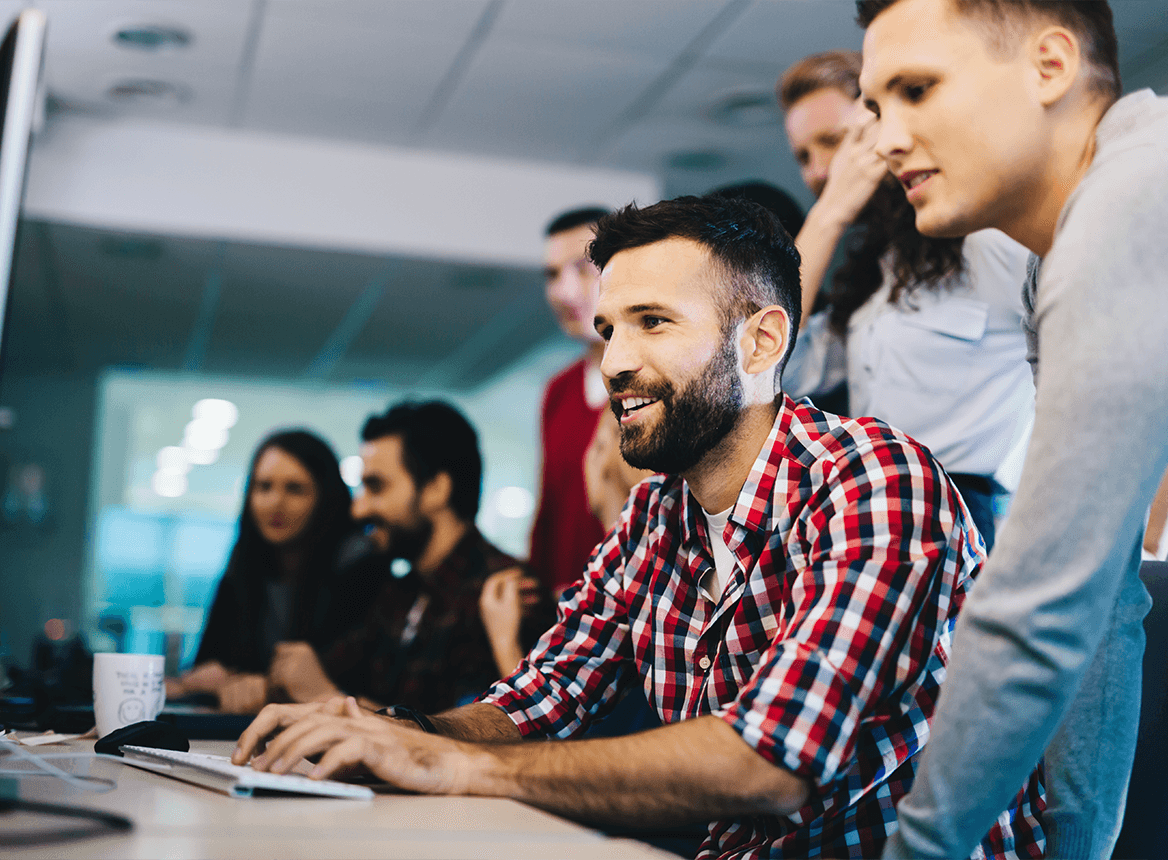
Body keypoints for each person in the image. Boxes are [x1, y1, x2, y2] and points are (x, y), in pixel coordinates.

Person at [234, 195, 1042, 859]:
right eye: (609, 329)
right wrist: (394, 730)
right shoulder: (659, 513)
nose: (614, 361)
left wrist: (452, 764)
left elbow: (771, 762)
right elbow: (544, 695)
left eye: (653, 322)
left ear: (762, 341)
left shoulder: (873, 481)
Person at [855, 1, 1168, 856]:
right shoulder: (1054, 257)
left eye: (917, 90)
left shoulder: (1130, 202)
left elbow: (1045, 603)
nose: (884, 138)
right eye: (877, 106)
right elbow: (1100, 591)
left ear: (1050, 66)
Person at [778, 50, 1034, 551]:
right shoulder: (872, 280)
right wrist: (828, 216)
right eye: (803, 157)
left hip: (977, 522)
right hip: (879, 518)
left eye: (833, 142)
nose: (818, 170)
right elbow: (768, 363)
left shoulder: (988, 240)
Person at [270, 400, 555, 715]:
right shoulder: (401, 591)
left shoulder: (506, 593)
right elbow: (325, 668)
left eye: (376, 487)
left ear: (435, 489)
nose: (359, 508)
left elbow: (477, 735)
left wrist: (324, 696)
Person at [167, 430, 355, 714]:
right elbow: (209, 667)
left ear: (325, 497)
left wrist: (256, 686)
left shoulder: (357, 568)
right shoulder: (244, 566)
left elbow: (342, 683)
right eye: (263, 486)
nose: (275, 502)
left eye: (295, 489)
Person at [529, 207, 611, 597]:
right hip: (562, 616)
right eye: (551, 275)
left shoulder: (657, 381)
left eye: (582, 268)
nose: (564, 291)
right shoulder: (558, 391)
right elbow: (549, 512)